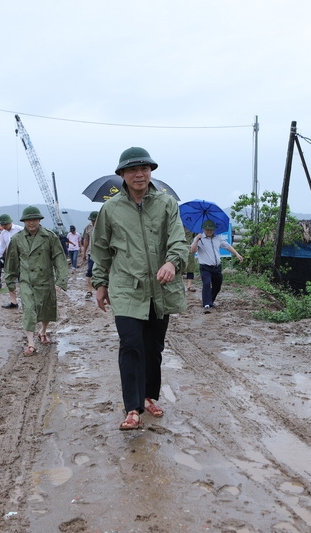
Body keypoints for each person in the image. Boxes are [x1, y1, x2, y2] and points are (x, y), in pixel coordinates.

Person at [91, 146, 188, 430]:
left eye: (144, 168)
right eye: (132, 169)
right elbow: (101, 250)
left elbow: (178, 239)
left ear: (151, 172)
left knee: (153, 347)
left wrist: (172, 262)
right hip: (125, 288)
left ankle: (147, 396)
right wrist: (100, 283)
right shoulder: (110, 210)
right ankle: (132, 408)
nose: (139, 174)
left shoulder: (166, 204)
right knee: (131, 345)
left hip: (160, 287)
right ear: (122, 174)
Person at [4, 206, 69, 355]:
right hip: (27, 281)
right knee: (29, 311)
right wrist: (10, 281)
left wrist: (61, 280)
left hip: (45, 280)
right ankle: (31, 344)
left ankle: (43, 331)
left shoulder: (50, 237)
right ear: (24, 222)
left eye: (34, 220)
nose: (31, 223)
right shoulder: (17, 239)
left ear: (39, 220)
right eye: (28, 220)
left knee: (46, 309)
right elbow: (11, 262)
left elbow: (59, 258)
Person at [191, 219, 243, 313]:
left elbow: (227, 246)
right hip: (205, 267)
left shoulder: (218, 238)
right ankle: (206, 304)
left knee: (217, 285)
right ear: (204, 229)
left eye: (211, 230)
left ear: (214, 229)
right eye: (207, 230)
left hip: (216, 267)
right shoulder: (199, 238)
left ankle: (210, 301)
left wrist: (237, 254)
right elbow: (192, 251)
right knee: (206, 283)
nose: (209, 231)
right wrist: (196, 241)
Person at [0, 214, 23, 305]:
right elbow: (1, 247)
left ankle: (26, 299)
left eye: (5, 224)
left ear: (10, 223)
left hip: (22, 256)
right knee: (9, 278)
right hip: (11, 257)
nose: (4, 227)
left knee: (23, 278)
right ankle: (13, 301)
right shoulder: (3, 233)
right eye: (2, 225)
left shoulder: (20, 229)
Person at [81, 211, 98, 299]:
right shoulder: (88, 227)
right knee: (89, 272)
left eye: (94, 220)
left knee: (105, 272)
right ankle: (89, 290)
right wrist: (84, 253)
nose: (93, 222)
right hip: (91, 253)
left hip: (102, 254)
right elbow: (86, 240)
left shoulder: (105, 226)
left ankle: (104, 291)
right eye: (92, 220)